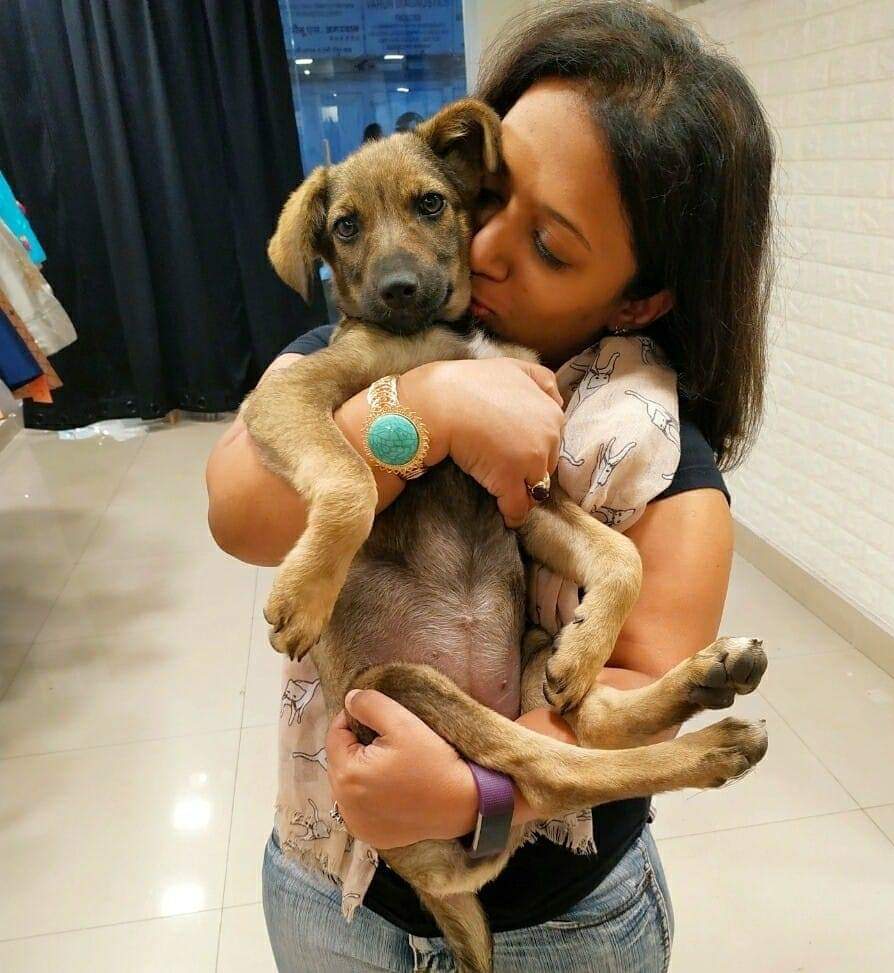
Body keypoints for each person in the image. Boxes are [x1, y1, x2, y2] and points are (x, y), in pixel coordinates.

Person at [205, 2, 774, 969]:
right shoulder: (368, 348)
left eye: (550, 246)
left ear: (639, 296)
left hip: (564, 925)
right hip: (327, 890)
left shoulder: (659, 449)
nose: (481, 247)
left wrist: (481, 798)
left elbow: (621, 675)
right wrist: (428, 407)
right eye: (479, 200)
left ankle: (666, 754)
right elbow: (239, 512)